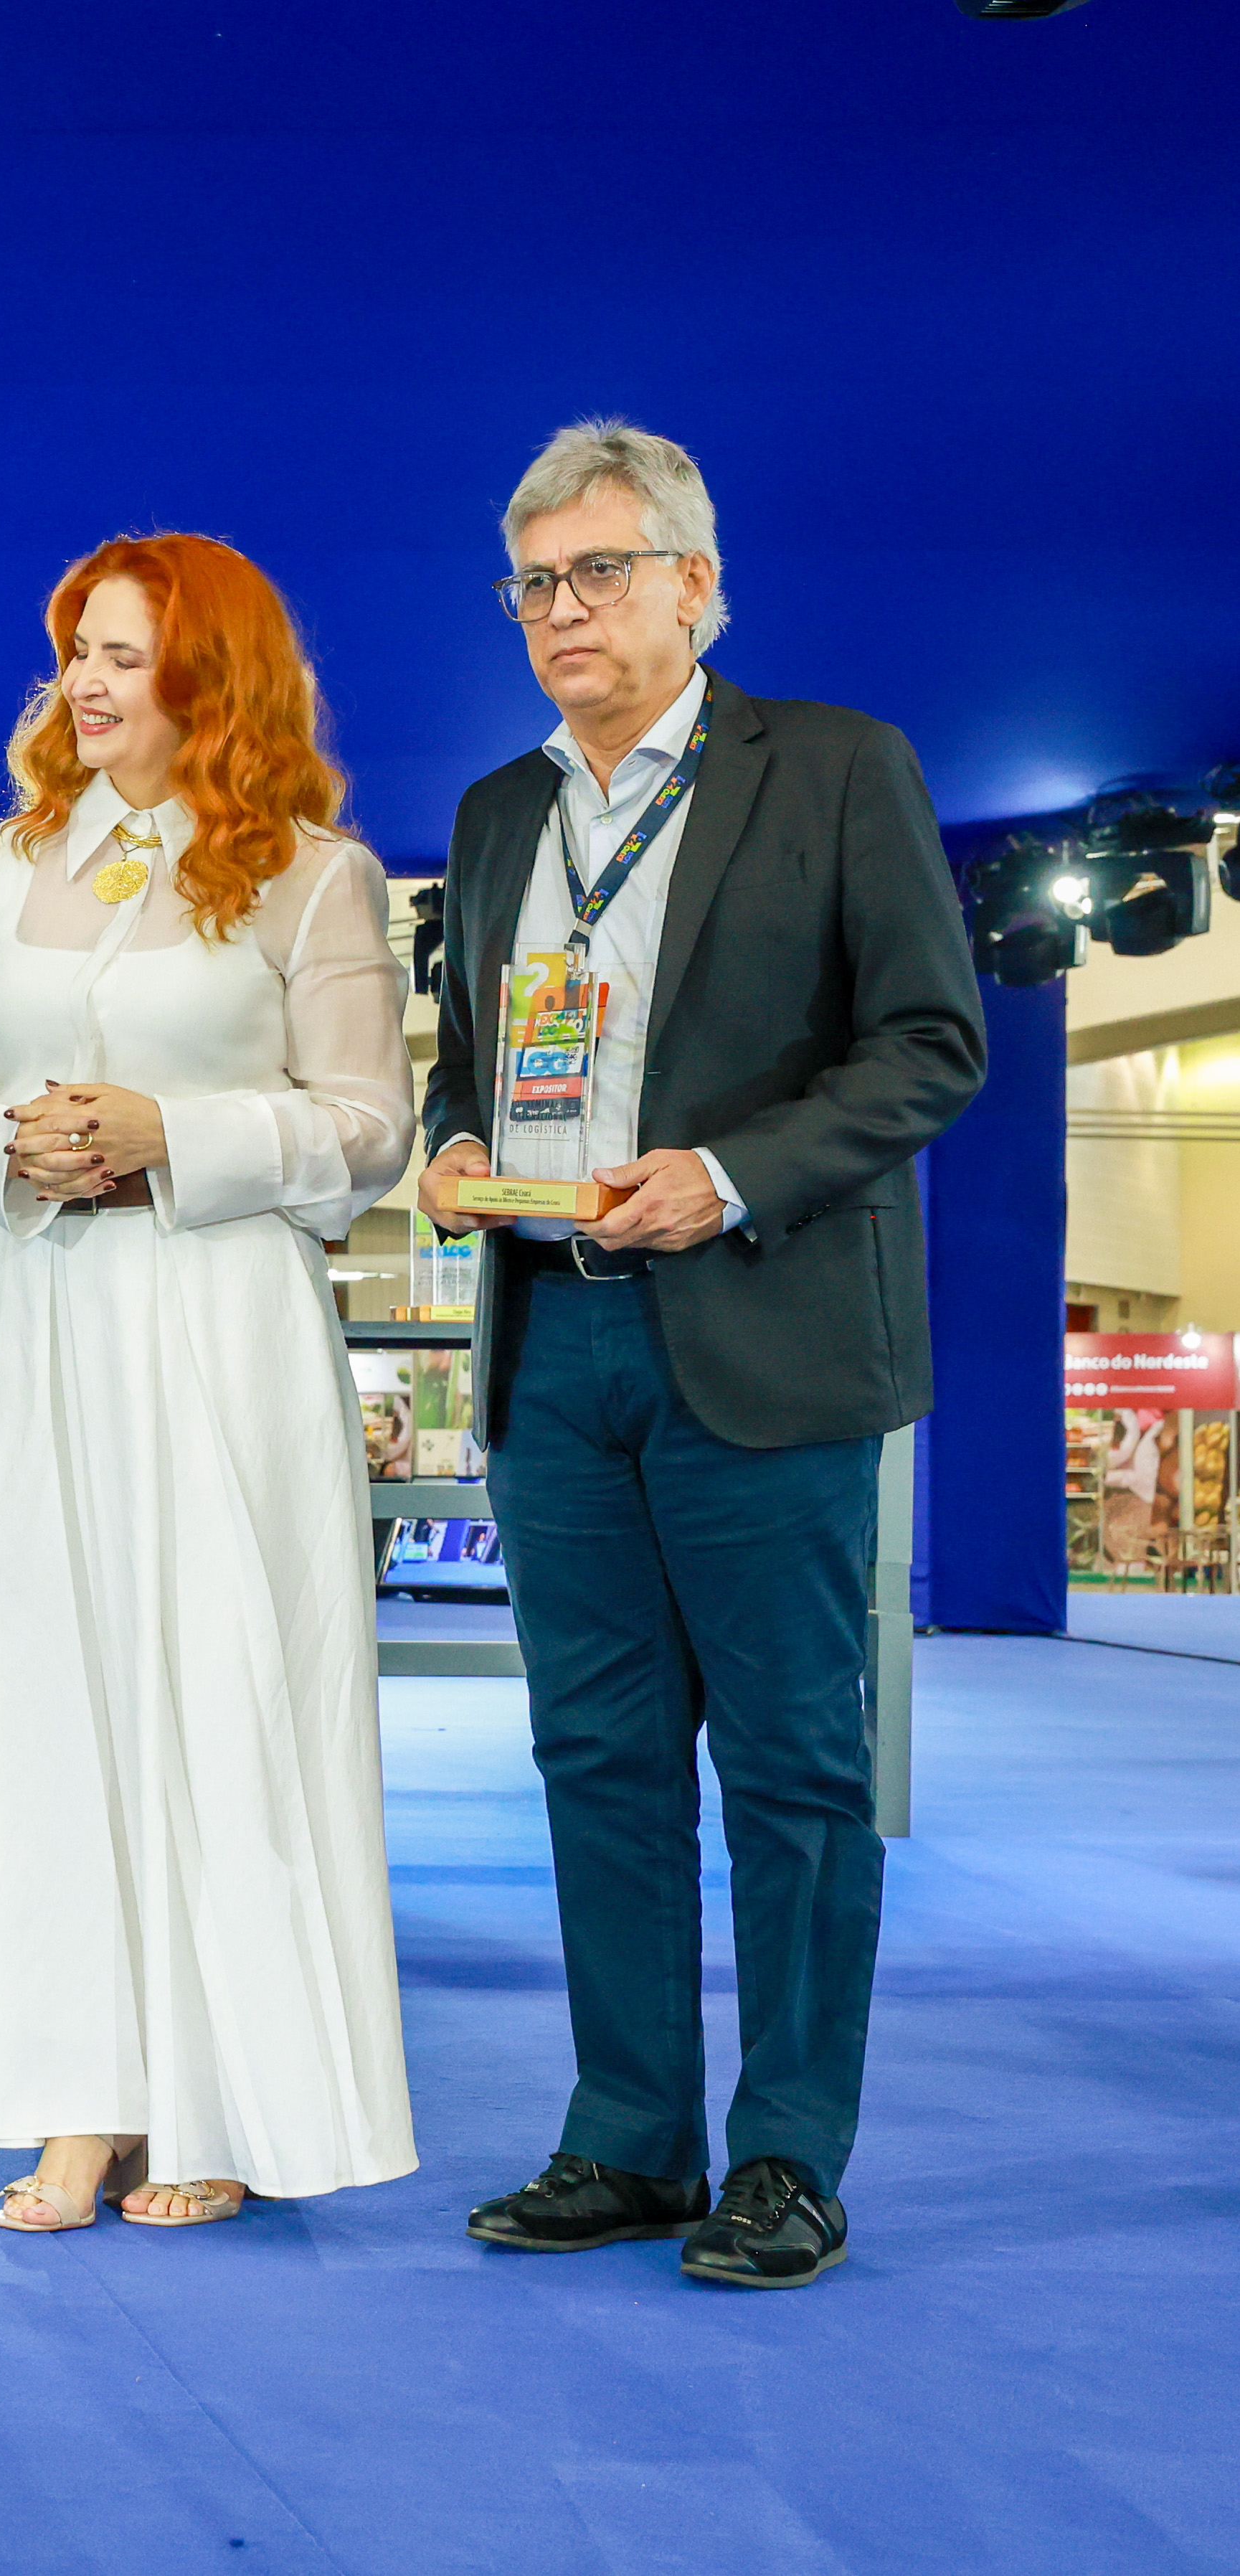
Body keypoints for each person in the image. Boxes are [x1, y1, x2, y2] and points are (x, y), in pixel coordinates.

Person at [428, 422, 983, 2289]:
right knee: (592, 1755)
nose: (559, 611)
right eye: (531, 583)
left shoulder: (832, 769)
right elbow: (477, 1056)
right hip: (551, 1345)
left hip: (759, 1331)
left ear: (694, 583)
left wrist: (728, 1174)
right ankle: (627, 2131)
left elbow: (925, 1045)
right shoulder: (500, 813)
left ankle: (786, 2152)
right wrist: (448, 1145)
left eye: (595, 572)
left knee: (791, 1766)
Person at [0, 534, 419, 2232]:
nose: (87, 683)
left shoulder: (314, 878)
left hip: (222, 1325)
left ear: (212, 671)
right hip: (50, 1319)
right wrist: (14, 1146)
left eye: (122, 651)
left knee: (216, 1689)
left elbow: (365, 1133)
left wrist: (168, 1136)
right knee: (56, 1692)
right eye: (74, 652)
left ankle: (216, 2100)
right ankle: (78, 2094)